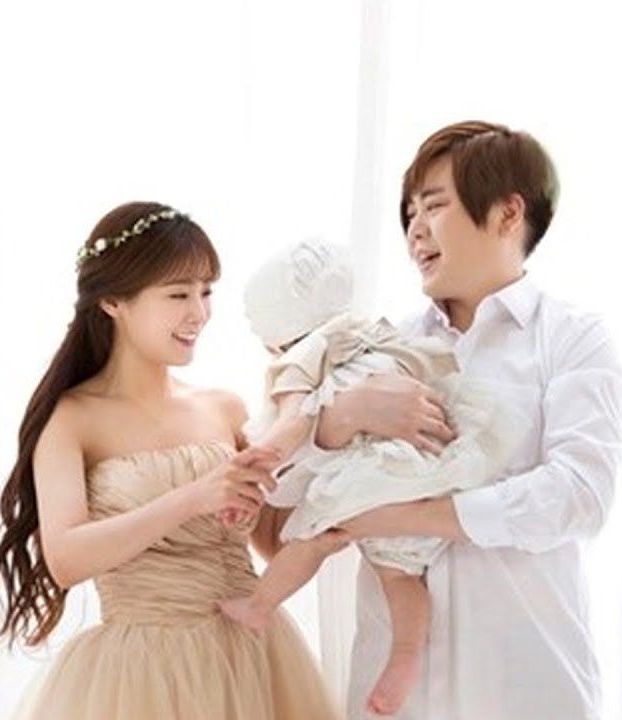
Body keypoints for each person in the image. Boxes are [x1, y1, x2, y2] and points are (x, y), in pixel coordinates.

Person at [316, 121, 622, 719]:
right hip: (396, 696)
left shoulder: (573, 338)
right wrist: (346, 414)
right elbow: (299, 477)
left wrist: (406, 516)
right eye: (409, 213)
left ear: (509, 213)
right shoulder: (385, 344)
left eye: (434, 206)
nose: (415, 229)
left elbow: (581, 494)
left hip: (527, 686)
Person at [0, 201, 339, 720]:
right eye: (178, 294)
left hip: (251, 658)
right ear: (113, 301)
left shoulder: (224, 407)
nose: (199, 312)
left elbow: (270, 540)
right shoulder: (72, 419)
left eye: (206, 291)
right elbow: (65, 559)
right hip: (140, 674)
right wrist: (192, 498)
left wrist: (334, 494)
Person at [218, 238, 527, 715]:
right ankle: (405, 656)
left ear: (278, 326)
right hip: (426, 472)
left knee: (310, 538)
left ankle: (260, 604)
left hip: (366, 481)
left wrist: (258, 462)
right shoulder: (374, 332)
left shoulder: (302, 358)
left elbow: (293, 422)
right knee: (401, 575)